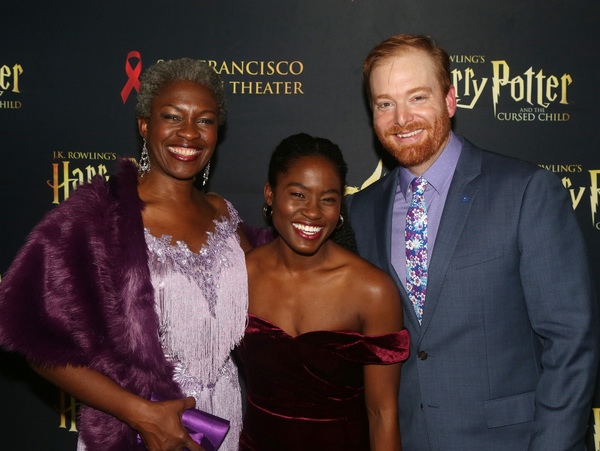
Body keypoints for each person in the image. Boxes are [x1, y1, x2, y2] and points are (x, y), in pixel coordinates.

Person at [346, 34, 599, 450]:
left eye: (417, 97)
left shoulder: (525, 192)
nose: (401, 119)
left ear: (450, 100)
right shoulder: (362, 210)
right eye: (385, 103)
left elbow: (570, 343)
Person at [0, 58, 250, 451]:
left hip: (224, 420)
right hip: (135, 427)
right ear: (145, 125)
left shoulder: (225, 215)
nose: (189, 132)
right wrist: (141, 415)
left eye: (205, 120)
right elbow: (34, 339)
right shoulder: (101, 216)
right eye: (172, 116)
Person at [236, 133, 409, 451]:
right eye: (298, 195)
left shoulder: (372, 291)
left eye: (328, 199)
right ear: (270, 194)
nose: (313, 212)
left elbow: (382, 414)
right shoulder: (238, 276)